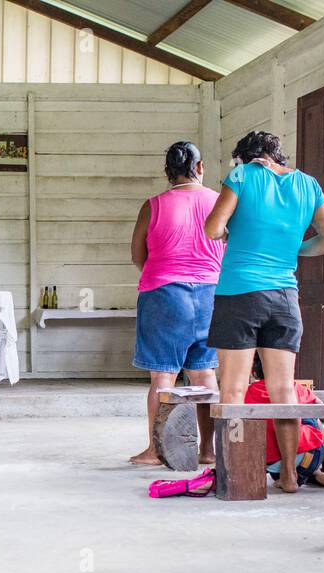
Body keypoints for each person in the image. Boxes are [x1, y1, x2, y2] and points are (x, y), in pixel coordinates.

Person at [203, 131, 324, 492]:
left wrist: (236, 234)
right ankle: (291, 477)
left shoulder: (243, 176)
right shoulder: (308, 185)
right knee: (284, 391)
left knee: (232, 390)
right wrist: (293, 249)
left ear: (246, 157)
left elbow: (213, 227)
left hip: (240, 294)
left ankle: (233, 472)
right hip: (284, 297)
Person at [128, 141, 225, 466]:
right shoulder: (218, 201)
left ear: (167, 172)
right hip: (211, 295)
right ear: (199, 168)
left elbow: (137, 255)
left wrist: (161, 277)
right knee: (205, 375)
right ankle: (208, 450)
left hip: (164, 295)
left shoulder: (153, 205)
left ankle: (156, 450)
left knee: (163, 378)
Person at [245, 355, 324, 488]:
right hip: (308, 457)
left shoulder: (248, 391)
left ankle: (312, 475)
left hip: (272, 467)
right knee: (312, 417)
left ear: (254, 373)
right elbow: (321, 407)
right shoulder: (290, 388)